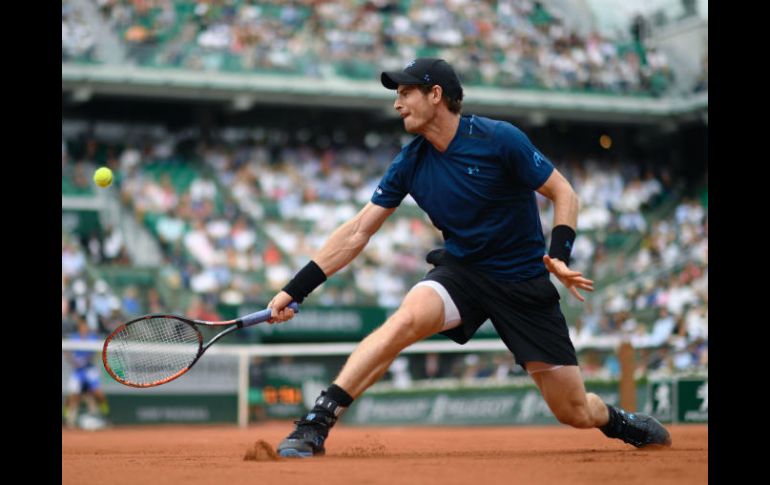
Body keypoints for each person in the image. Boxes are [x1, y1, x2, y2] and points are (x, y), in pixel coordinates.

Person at [266, 58, 671, 457]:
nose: (397, 103)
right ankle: (317, 422)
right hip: (462, 272)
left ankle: (618, 421)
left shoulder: (499, 139)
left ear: (435, 95)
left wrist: (559, 254)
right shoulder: (409, 162)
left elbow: (563, 192)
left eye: (406, 92)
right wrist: (295, 289)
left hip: (522, 281)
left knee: (575, 411)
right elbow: (357, 233)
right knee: (405, 319)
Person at [64, 318, 109, 429]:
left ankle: (106, 415)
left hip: (89, 369)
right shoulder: (73, 338)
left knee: (99, 394)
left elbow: (99, 351)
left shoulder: (93, 338)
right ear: (79, 328)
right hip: (77, 371)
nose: (84, 329)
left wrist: (92, 359)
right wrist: (74, 361)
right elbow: (66, 351)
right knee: (72, 396)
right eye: (82, 327)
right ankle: (66, 417)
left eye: (85, 327)